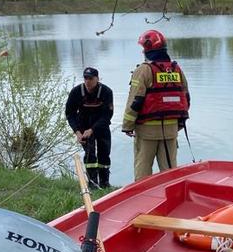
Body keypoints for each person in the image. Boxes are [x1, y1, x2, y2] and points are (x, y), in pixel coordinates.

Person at [122, 29, 190, 181]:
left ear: (147, 50)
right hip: (171, 130)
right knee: (170, 173)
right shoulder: (176, 69)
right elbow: (186, 98)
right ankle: (173, 201)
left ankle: (143, 202)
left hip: (147, 131)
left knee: (143, 172)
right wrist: (179, 123)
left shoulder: (144, 70)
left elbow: (135, 101)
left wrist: (127, 125)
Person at [65, 66, 114, 189]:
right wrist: (77, 132)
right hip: (83, 126)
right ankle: (92, 184)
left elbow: (107, 116)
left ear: (97, 78)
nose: (88, 81)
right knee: (90, 155)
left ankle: (105, 183)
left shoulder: (106, 91)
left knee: (104, 154)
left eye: (91, 78)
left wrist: (92, 129)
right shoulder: (76, 92)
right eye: (86, 78)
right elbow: (70, 114)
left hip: (101, 126)